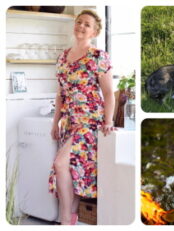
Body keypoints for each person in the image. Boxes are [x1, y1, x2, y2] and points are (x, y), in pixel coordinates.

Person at [48, 10, 116, 225]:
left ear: (94, 32)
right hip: (69, 121)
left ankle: (65, 220)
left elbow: (108, 94)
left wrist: (109, 121)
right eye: (79, 22)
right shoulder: (63, 57)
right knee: (71, 169)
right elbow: (61, 94)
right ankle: (73, 217)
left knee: (61, 164)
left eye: (87, 24)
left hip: (89, 121)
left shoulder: (98, 56)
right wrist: (55, 123)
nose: (81, 26)